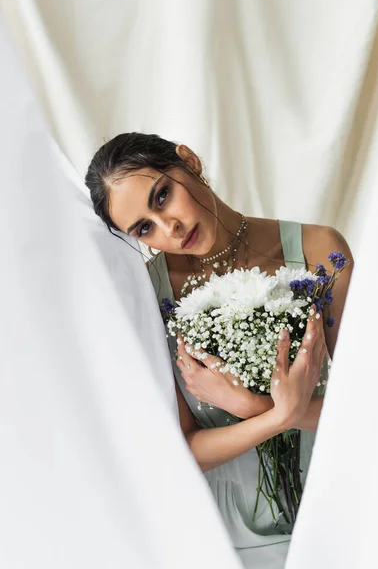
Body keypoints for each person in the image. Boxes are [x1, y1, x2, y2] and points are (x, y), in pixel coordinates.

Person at [85, 132, 353, 568]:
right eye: (144, 228)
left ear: (189, 161)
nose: (168, 227)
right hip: (228, 536)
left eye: (163, 196)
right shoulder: (148, 298)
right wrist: (280, 415)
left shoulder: (319, 251)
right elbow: (184, 447)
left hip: (336, 506)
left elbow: (370, 410)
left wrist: (254, 406)